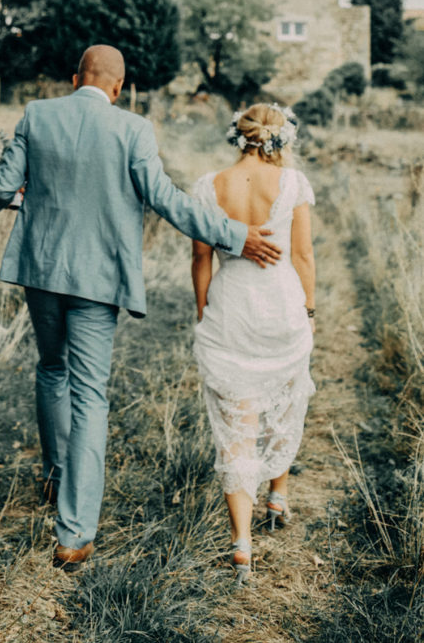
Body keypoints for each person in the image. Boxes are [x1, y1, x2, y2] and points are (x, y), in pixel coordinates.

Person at [0, 45, 283, 571]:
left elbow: (1, 187)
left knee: (51, 369)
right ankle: (74, 533)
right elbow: (167, 200)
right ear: (119, 87)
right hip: (98, 282)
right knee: (90, 396)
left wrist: (24, 199)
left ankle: (56, 475)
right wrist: (235, 236)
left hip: (41, 271)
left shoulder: (37, 114)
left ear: (75, 76)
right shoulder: (133, 129)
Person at [191, 102, 316, 587]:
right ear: (279, 138)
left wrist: (204, 309)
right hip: (281, 304)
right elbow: (302, 254)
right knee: (286, 394)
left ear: (239, 136)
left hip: (232, 307)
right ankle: (278, 495)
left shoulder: (208, 185)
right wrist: (309, 311)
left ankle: (242, 542)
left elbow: (201, 259)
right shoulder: (291, 184)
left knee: (238, 423)